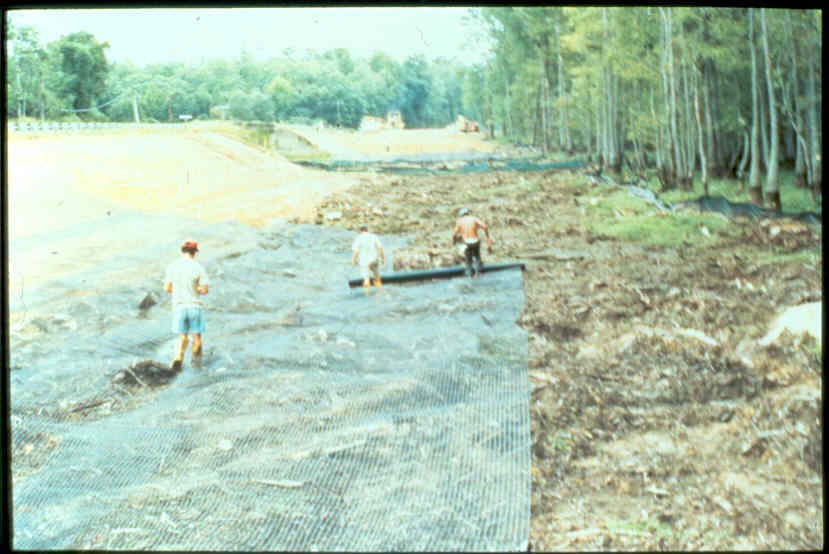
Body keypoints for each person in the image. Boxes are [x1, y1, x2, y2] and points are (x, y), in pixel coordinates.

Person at [163, 239, 209, 371]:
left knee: (182, 336)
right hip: (195, 306)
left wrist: (178, 290)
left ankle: (178, 358)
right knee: (197, 338)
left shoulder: (172, 266)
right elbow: (204, 290)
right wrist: (196, 289)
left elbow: (166, 288)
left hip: (179, 306)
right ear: (195, 252)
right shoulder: (199, 267)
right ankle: (196, 364)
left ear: (182, 250)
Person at [452, 207, 494, 278]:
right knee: (477, 257)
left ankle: (470, 275)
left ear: (461, 215)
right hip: (475, 241)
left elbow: (454, 234)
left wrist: (454, 241)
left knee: (468, 259)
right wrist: (487, 236)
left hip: (466, 242)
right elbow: (484, 226)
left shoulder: (459, 221)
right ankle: (478, 273)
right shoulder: (474, 219)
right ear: (468, 213)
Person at [351, 225, 385, 291]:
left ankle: (367, 295)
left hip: (364, 261)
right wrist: (383, 258)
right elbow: (380, 248)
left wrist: (353, 260)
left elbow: (356, 251)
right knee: (377, 277)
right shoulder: (374, 236)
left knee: (366, 279)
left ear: (360, 231)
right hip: (374, 259)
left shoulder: (359, 238)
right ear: (367, 230)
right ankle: (380, 292)